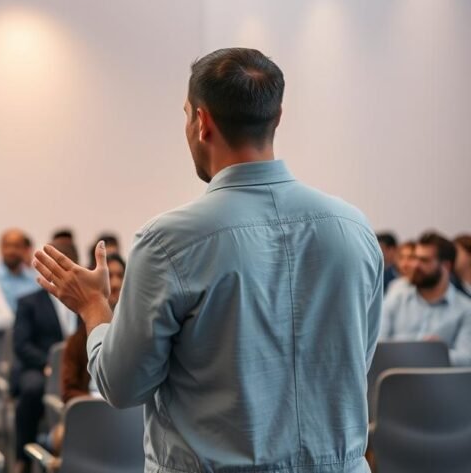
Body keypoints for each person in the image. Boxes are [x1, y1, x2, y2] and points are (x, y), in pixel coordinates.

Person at [33, 48, 382, 473]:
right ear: (278, 117)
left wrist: (92, 308)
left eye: (185, 115)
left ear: (202, 122)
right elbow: (353, 362)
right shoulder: (354, 229)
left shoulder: (170, 241)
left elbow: (122, 387)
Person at [47, 253, 127, 461]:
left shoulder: (136, 332)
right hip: (91, 416)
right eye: (111, 276)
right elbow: (69, 391)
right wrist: (97, 405)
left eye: (120, 275)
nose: (116, 282)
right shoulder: (78, 340)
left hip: (128, 420)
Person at [10, 248, 80, 471]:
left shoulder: (83, 301)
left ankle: (80, 454)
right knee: (31, 390)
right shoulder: (29, 302)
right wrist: (47, 363)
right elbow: (21, 345)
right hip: (38, 367)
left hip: (77, 368)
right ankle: (23, 457)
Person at [380, 232, 471, 365]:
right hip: (395, 380)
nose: (415, 265)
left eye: (424, 260)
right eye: (415, 258)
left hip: (442, 384)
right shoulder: (396, 297)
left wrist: (437, 352)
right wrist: (426, 350)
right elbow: (378, 345)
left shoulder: (465, 309)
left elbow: (467, 358)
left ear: (446, 266)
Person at [0, 229, 40, 312]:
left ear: (25, 249)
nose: (11, 251)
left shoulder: (35, 280)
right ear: (1, 248)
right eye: (7, 246)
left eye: (17, 246)